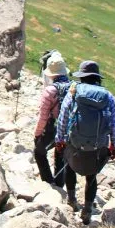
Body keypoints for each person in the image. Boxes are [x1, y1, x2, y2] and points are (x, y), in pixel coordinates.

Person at [55, 60, 115, 225]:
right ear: (97, 77)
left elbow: (63, 117)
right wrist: (114, 144)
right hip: (97, 146)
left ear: (82, 77)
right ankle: (88, 209)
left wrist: (59, 140)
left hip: (75, 143)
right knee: (92, 176)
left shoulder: (74, 91)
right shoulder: (107, 96)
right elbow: (114, 123)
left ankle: (71, 200)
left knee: (69, 166)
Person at [33, 52, 72, 187]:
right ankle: (59, 183)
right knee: (61, 153)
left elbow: (43, 117)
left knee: (39, 152)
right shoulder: (74, 88)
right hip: (70, 128)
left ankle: (48, 181)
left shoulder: (50, 91)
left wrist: (37, 133)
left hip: (52, 128)